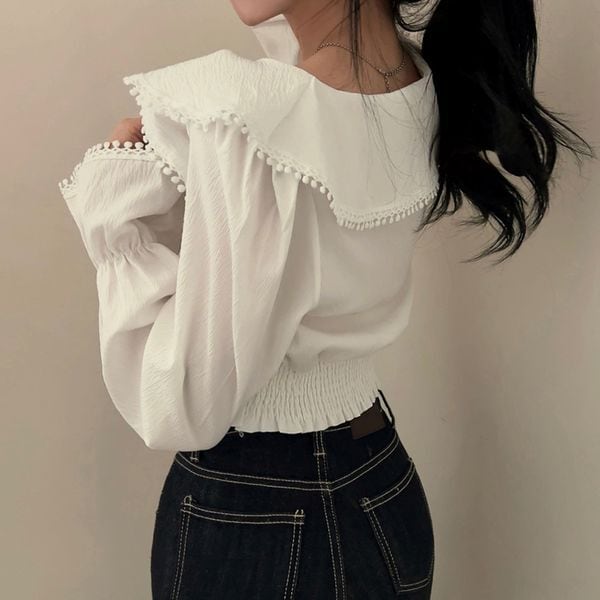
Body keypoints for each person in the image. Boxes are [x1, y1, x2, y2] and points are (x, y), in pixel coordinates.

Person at [58, 1, 594, 598]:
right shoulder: (411, 82)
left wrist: (117, 214)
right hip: (379, 479)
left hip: (256, 508)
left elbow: (180, 404)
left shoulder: (243, 117)